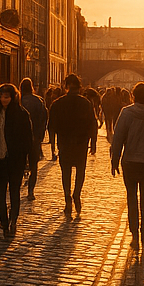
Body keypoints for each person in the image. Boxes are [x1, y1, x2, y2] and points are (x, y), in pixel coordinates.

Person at [110, 82, 144, 245]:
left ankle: (134, 233)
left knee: (131, 196)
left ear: (133, 96)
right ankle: (143, 229)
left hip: (130, 160)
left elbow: (118, 137)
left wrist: (115, 159)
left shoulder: (126, 113)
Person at [47, 73, 98, 215]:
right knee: (80, 171)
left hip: (64, 143)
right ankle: (77, 193)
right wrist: (93, 143)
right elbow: (92, 124)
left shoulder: (58, 103)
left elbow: (51, 125)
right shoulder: (85, 103)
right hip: (81, 144)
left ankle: (67, 197)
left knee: (66, 172)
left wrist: (53, 143)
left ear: (66, 86)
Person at [0, 83, 33, 238]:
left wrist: (28, 160)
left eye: (7, 97)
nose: (4, 99)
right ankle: (3, 221)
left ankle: (13, 220)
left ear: (13, 97)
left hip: (15, 159)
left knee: (14, 191)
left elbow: (28, 139)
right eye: (1, 96)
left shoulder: (22, 114)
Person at [20, 77, 48, 200]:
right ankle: (31, 190)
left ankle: (16, 187)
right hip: (35, 138)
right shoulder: (39, 101)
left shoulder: (18, 101)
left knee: (19, 164)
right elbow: (44, 119)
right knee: (34, 165)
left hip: (20, 138)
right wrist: (41, 135)